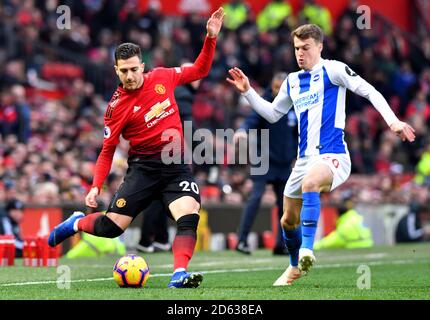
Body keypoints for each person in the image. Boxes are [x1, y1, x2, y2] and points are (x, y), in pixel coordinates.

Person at [48, 8, 225, 289]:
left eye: (134, 69)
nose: (130, 76)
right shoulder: (116, 108)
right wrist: (95, 186)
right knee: (110, 228)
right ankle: (76, 223)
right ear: (116, 70)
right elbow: (107, 151)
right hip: (143, 169)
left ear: (142, 65)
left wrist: (210, 38)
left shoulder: (163, 77)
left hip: (175, 166)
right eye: (124, 71)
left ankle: (179, 274)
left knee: (189, 216)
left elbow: (200, 70)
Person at [226, 24, 415, 286]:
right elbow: (271, 114)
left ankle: (307, 251)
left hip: (333, 155)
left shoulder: (333, 69)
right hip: (303, 160)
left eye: (305, 48)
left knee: (310, 184)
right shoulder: (292, 81)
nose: (300, 54)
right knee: (287, 220)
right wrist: (248, 92)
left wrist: (393, 122)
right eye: (296, 49)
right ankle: (294, 267)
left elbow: (369, 90)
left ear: (319, 46)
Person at [137, 63, 202, 254]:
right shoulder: (183, 93)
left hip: (158, 146)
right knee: (161, 196)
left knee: (161, 194)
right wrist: (205, 152)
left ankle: (160, 238)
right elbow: (187, 126)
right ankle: (145, 239)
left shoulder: (176, 90)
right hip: (166, 149)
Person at [234, 72, 298, 255]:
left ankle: (281, 244)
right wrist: (242, 131)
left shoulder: (293, 106)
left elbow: (297, 134)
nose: (278, 92)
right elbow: (251, 120)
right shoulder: (265, 104)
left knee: (285, 204)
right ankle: (242, 240)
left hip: (284, 163)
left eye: (281, 88)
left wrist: (296, 154)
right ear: (272, 87)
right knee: (255, 198)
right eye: (275, 87)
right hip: (263, 159)